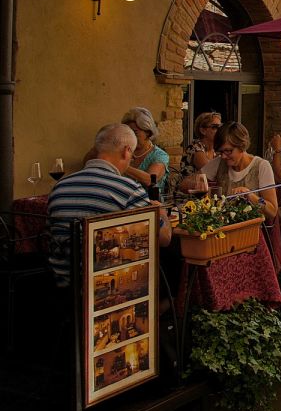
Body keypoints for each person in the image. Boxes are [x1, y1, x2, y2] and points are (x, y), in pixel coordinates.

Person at [48, 124, 172, 287]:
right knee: (172, 258)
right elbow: (164, 239)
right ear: (127, 151)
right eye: (132, 155)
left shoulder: (60, 186)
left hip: (62, 282)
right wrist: (160, 211)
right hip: (105, 287)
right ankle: (160, 310)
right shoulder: (130, 190)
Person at [181, 122, 278, 220]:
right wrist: (196, 183)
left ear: (242, 145)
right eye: (220, 152)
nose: (223, 156)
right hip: (224, 228)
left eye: (228, 151)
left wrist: (250, 195)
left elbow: (272, 211)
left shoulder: (261, 166)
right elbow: (183, 184)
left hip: (252, 230)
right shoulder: (219, 162)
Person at [119, 107, 170, 195]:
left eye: (135, 132)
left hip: (149, 204)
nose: (130, 136)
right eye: (128, 133)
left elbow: (150, 180)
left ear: (148, 132)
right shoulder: (123, 150)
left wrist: (120, 165)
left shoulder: (160, 155)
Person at [181, 111, 221, 178]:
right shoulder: (195, 147)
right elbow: (210, 172)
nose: (219, 130)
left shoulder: (215, 149)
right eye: (215, 127)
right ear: (203, 131)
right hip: (188, 187)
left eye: (220, 127)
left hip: (204, 187)